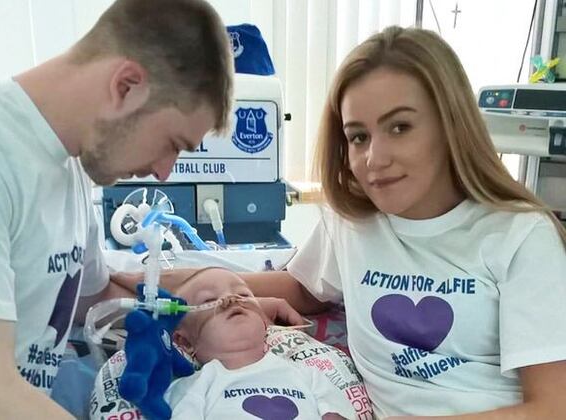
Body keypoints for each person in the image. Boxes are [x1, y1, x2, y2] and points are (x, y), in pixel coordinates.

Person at [139, 26, 566, 418]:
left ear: (450, 124)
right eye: (358, 136)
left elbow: (551, 408)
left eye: (400, 127)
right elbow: (302, 287)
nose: (374, 160)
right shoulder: (353, 222)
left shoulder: (520, 236)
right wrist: (157, 280)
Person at [0, 0, 237, 417]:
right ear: (126, 85)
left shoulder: (66, 164)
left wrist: (197, 316)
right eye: (172, 145)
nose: (165, 174)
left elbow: (90, 297)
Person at [161, 267, 355, 419]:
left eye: (244, 295)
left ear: (265, 321)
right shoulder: (194, 387)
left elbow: (335, 413)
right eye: (209, 299)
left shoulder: (307, 373)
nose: (230, 299)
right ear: (184, 341)